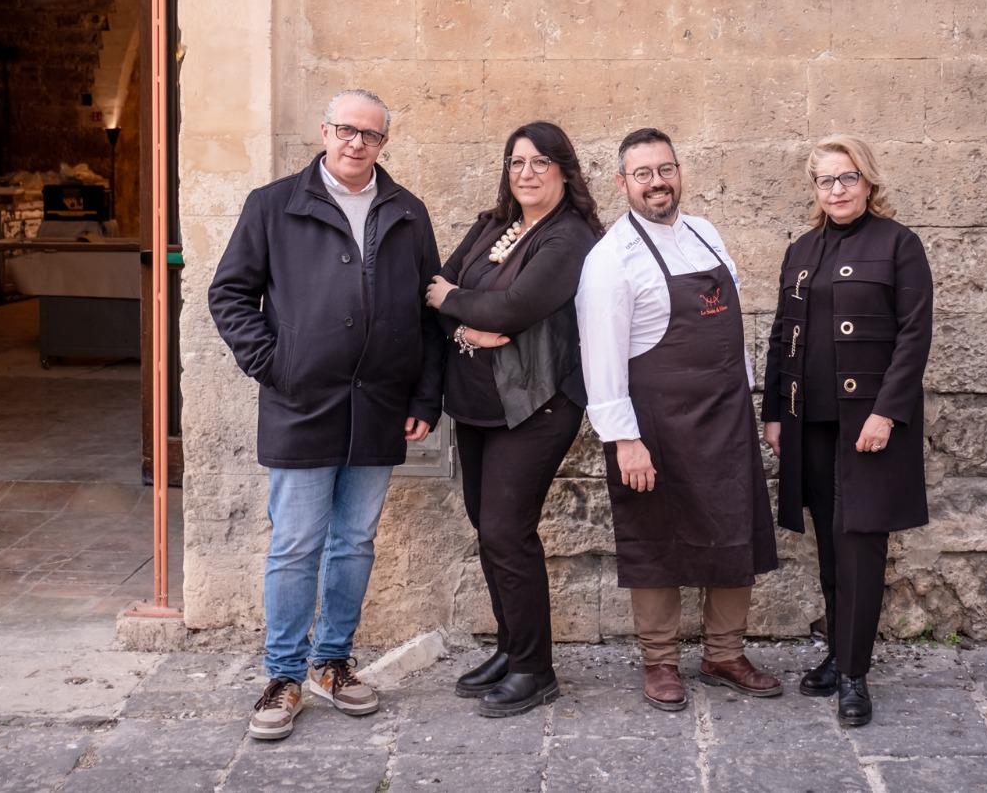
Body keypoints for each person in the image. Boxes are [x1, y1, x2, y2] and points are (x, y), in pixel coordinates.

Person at [208, 89, 445, 741]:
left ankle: (331, 663)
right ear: (324, 130)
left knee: (354, 542)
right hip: (299, 405)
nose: (355, 143)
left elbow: (430, 314)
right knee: (295, 545)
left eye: (369, 134)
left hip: (379, 407)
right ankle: (283, 674)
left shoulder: (406, 212)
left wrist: (426, 397)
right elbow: (228, 294)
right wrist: (276, 365)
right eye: (345, 130)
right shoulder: (273, 205)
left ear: (383, 143)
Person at [576, 127, 781, 712]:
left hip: (726, 416)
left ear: (679, 172)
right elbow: (602, 359)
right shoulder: (609, 260)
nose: (657, 182)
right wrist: (624, 441)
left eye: (665, 169)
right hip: (656, 428)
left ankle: (724, 652)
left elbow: (732, 333)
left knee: (734, 528)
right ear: (622, 183)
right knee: (657, 538)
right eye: (642, 173)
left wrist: (745, 399)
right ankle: (660, 661)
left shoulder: (705, 235)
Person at [424, 121, 604, 718]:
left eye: (539, 161)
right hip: (477, 400)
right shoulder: (490, 227)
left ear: (563, 169)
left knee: (506, 529)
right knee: (488, 526)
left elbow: (517, 305)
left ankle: (535, 668)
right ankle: (511, 647)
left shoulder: (569, 237)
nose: (526, 172)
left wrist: (463, 304)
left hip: (537, 403)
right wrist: (468, 319)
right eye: (515, 162)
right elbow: (435, 289)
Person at [760, 134, 933, 727]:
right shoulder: (801, 249)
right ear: (814, 189)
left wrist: (887, 412)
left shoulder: (899, 245)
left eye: (847, 177)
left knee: (859, 540)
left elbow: (914, 337)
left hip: (869, 425)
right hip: (809, 423)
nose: (836, 190)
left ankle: (855, 676)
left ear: (868, 180)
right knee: (830, 543)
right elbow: (783, 333)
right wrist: (774, 412)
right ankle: (838, 652)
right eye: (825, 180)